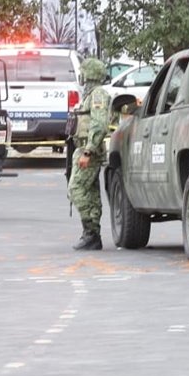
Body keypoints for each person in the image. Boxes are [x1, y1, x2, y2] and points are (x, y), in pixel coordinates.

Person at [67, 57, 111, 250]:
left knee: (75, 189)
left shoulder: (98, 94)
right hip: (82, 148)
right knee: (91, 194)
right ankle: (92, 235)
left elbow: (99, 124)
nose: (82, 76)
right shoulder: (91, 94)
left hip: (89, 151)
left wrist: (88, 151)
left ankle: (91, 232)